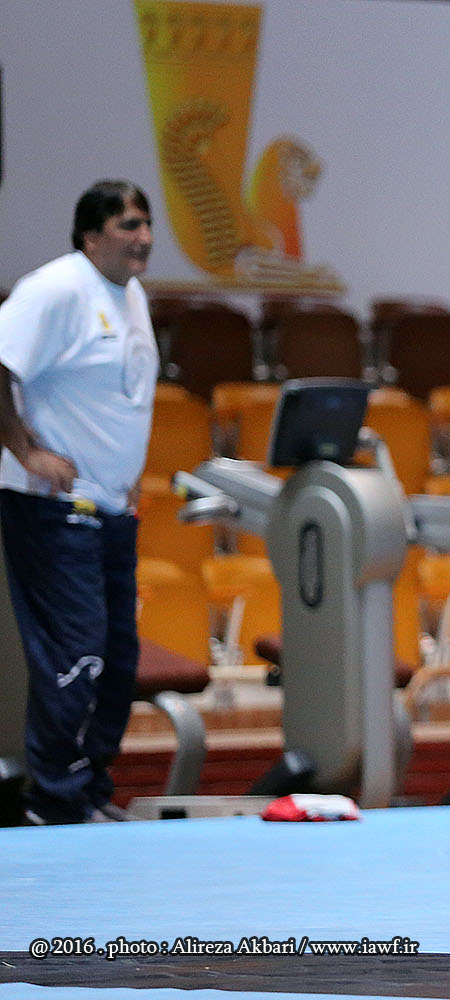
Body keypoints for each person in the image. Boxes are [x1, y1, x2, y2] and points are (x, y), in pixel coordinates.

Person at [0, 180, 160, 825]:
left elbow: (118, 399)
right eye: (127, 226)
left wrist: (126, 474)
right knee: (78, 652)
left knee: (118, 659)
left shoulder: (131, 295)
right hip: (53, 509)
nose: (143, 238)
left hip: (112, 511)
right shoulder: (57, 289)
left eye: (146, 224)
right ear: (90, 236)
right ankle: (53, 801)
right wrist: (25, 451)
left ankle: (88, 790)